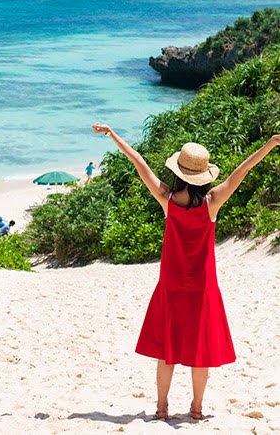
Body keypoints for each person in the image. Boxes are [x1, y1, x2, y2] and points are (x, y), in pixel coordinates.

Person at [92, 122, 280, 421]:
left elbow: (139, 163)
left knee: (168, 347)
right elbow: (241, 172)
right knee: (199, 348)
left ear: (178, 172)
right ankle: (196, 408)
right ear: (204, 176)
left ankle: (162, 408)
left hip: (170, 283)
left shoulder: (167, 199)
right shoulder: (212, 202)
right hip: (202, 286)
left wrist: (114, 134)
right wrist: (269, 145)